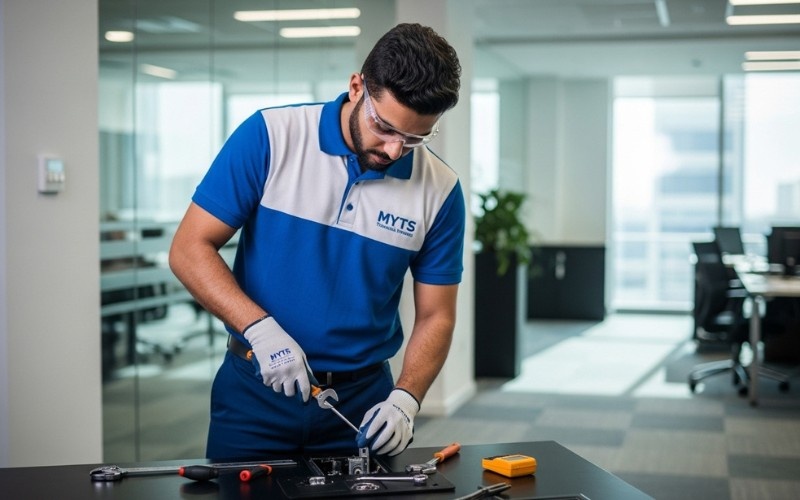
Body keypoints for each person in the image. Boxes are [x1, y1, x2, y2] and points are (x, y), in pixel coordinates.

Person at [169, 22, 464, 460]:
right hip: (254, 394)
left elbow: (437, 316)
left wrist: (406, 398)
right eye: (384, 126)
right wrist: (261, 331)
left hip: (363, 404)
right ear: (357, 87)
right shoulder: (271, 136)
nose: (393, 150)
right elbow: (189, 248)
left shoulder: (439, 190)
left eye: (415, 138)